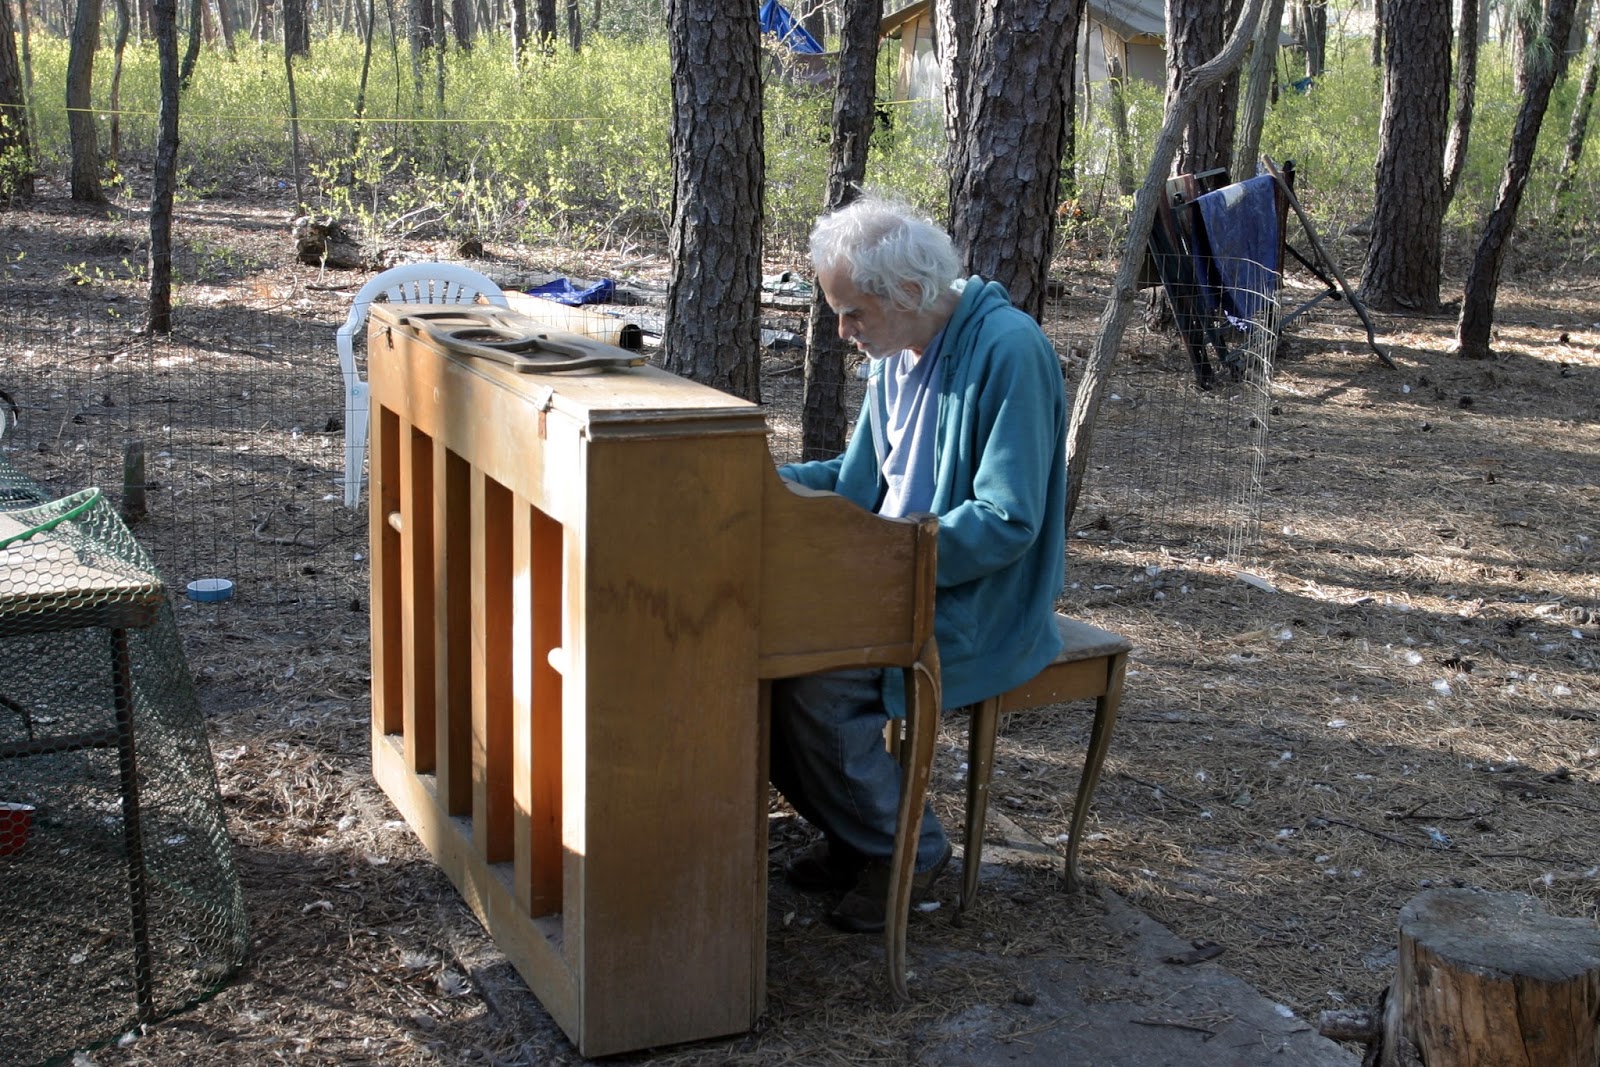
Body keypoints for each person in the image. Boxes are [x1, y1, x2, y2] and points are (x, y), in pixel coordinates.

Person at [772, 194, 1068, 933]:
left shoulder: (1010, 350)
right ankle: (857, 830)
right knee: (758, 662)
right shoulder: (896, 353)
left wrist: (886, 559)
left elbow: (1007, 520)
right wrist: (761, 479)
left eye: (853, 313)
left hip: (974, 593)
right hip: (889, 572)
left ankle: (908, 848)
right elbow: (859, 479)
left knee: (815, 682)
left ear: (908, 290)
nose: (843, 332)